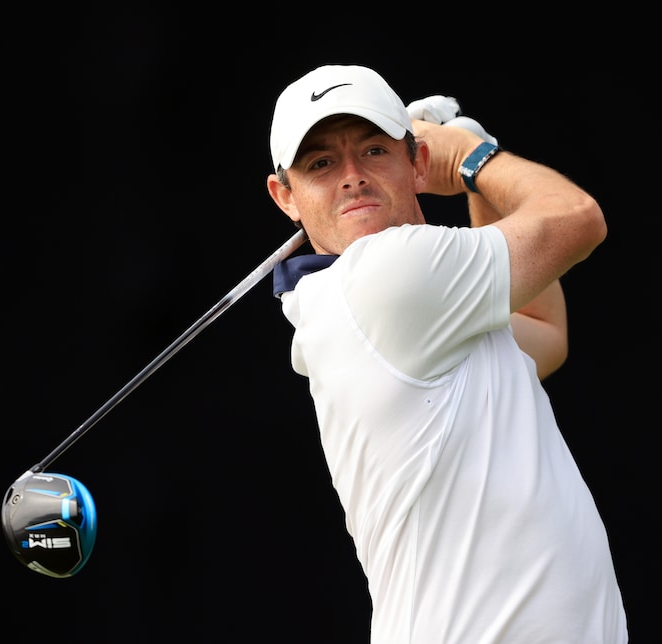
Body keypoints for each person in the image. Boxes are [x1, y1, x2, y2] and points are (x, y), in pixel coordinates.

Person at [266, 65, 628, 643]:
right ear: (285, 195)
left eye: (374, 149)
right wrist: (474, 157)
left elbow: (541, 332)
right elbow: (577, 220)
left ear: (414, 162)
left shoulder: (415, 306)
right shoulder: (386, 276)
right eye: (321, 164)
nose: (353, 177)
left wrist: (473, 181)